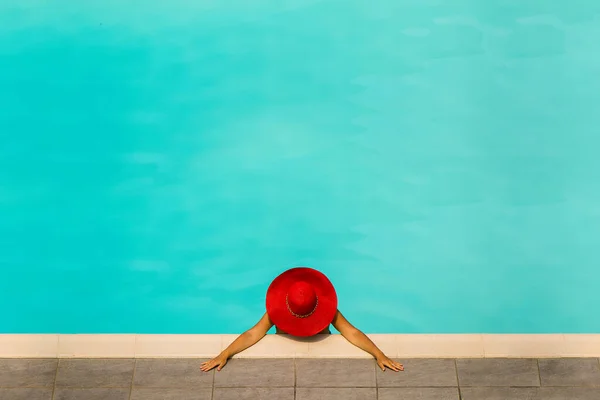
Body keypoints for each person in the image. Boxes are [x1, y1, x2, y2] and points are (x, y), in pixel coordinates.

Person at [201, 267, 404, 372]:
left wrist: (379, 354)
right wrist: (225, 353)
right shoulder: (280, 309)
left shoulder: (321, 308)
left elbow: (352, 333)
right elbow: (252, 333)